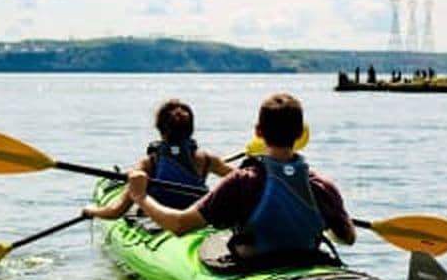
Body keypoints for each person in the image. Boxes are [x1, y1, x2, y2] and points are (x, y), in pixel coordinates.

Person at [124, 93, 356, 261]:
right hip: (306, 259)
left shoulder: (242, 182)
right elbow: (347, 238)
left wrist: (141, 197)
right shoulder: (323, 185)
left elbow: (179, 225)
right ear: (300, 134)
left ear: (258, 132)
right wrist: (316, 218)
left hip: (255, 265)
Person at [82, 99, 234, 219]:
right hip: (195, 217)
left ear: (160, 129)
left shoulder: (149, 163)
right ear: (191, 130)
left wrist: (91, 211)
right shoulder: (207, 159)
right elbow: (243, 178)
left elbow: (116, 211)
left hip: (162, 220)